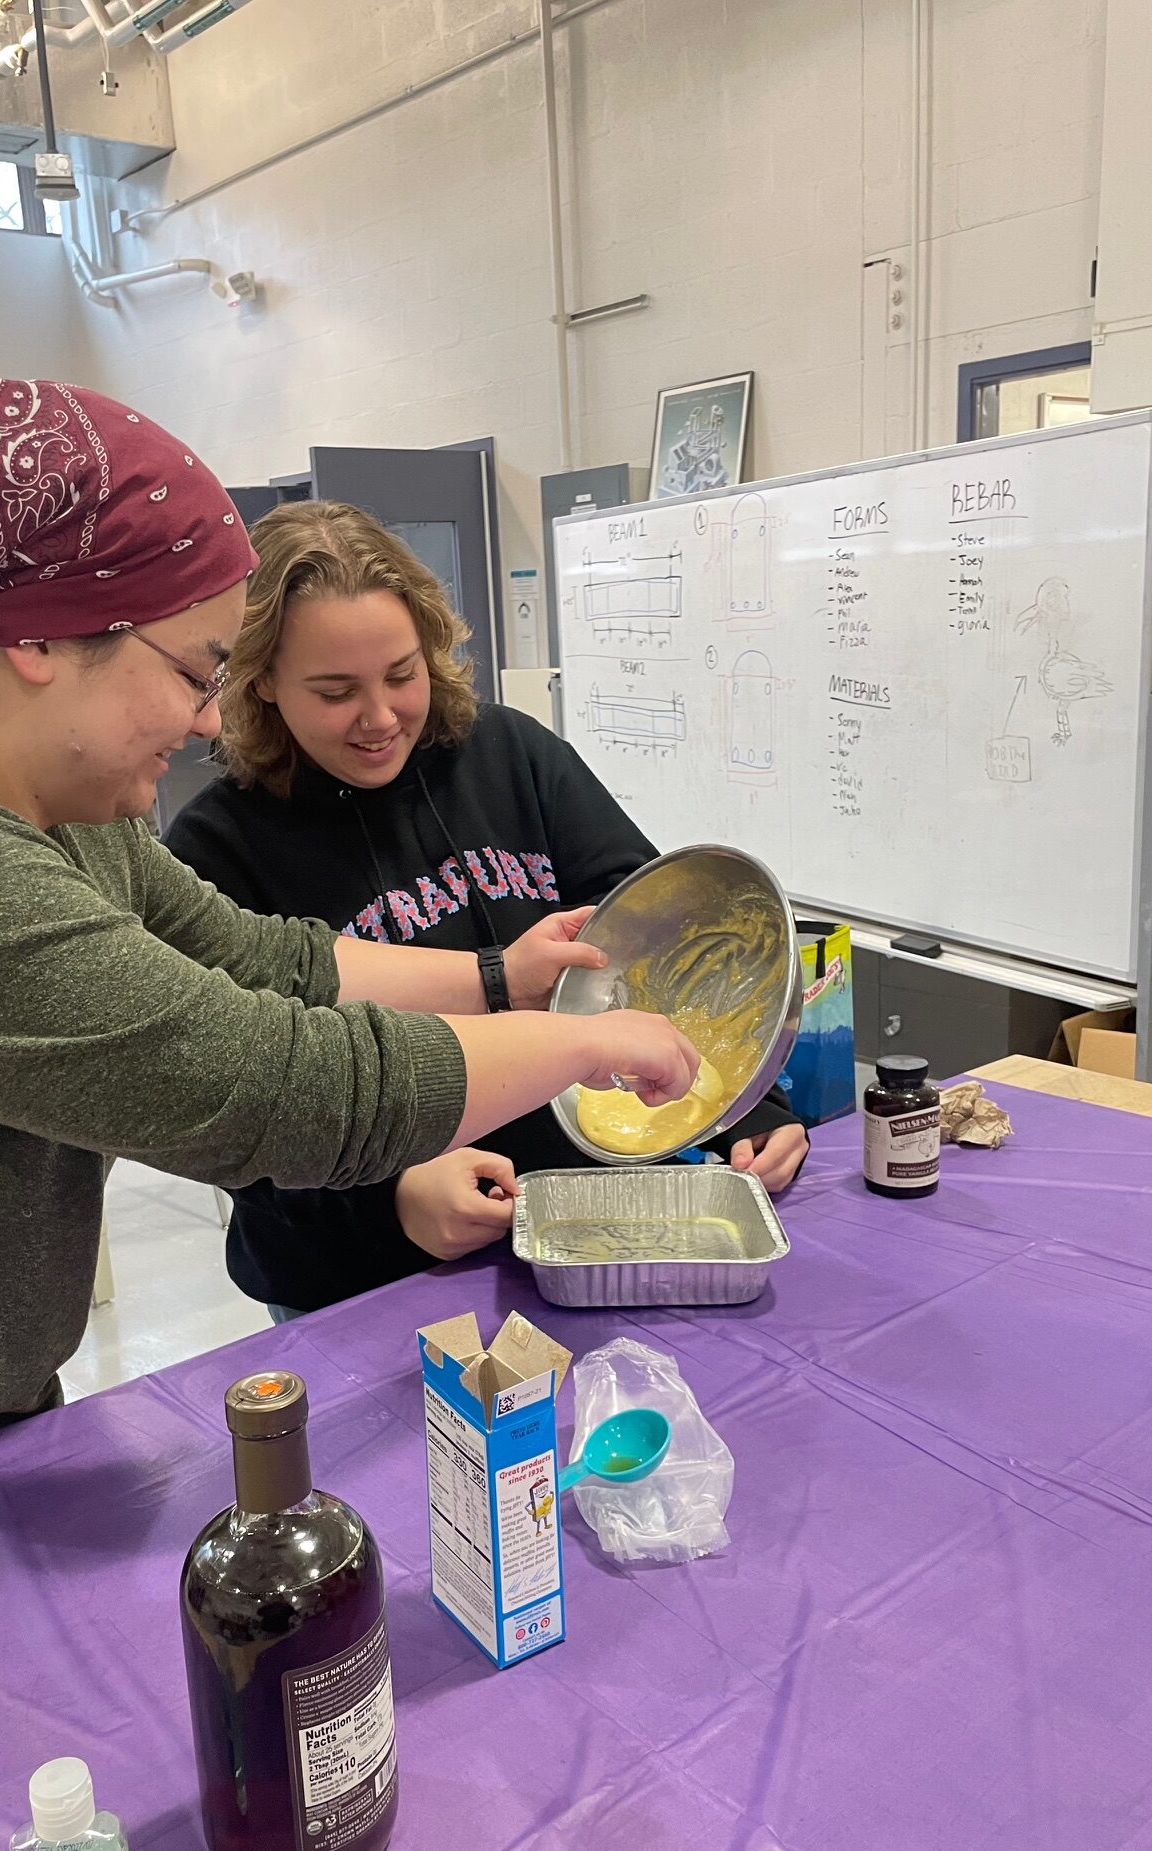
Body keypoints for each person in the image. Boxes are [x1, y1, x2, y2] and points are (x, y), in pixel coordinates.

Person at [0, 380, 698, 1513]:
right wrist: (573, 1045)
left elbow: (271, 959)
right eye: (197, 670)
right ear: (41, 637)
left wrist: (506, 975)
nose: (208, 719)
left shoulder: (60, 811)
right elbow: (278, 1089)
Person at [166, 501, 808, 1317]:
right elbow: (235, 1111)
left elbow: (674, 942)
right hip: (367, 1276)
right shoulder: (216, 849)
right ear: (260, 682)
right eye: (335, 692)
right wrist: (391, 1200)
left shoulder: (512, 756)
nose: (381, 717)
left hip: (583, 1231)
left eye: (403, 674)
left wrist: (745, 1106)